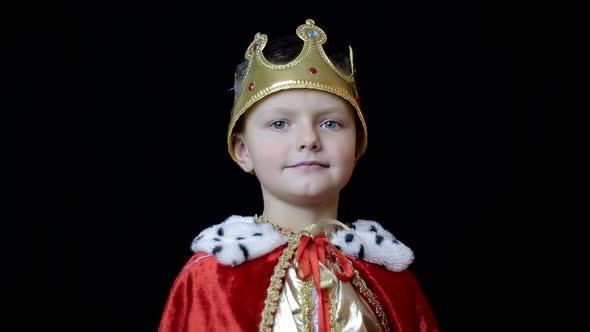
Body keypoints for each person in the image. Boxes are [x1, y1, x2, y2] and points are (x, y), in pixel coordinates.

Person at [158, 18, 439, 332]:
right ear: (242, 150)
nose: (309, 139)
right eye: (280, 124)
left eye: (330, 123)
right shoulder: (208, 282)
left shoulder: (391, 281)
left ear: (357, 145)